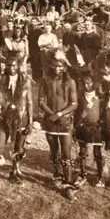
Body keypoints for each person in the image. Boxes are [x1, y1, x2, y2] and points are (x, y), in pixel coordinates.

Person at [0, 55, 32, 188]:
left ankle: (15, 172)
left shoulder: (25, 80)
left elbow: (29, 102)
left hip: (22, 119)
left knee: (18, 148)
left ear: (19, 66)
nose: (11, 68)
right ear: (5, 65)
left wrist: (30, 122)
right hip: (5, 119)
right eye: (9, 65)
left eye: (14, 65)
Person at [38, 52, 79, 201]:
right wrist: (51, 115)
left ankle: (68, 184)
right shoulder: (45, 80)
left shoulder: (70, 82)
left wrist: (59, 115)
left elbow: (74, 104)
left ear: (64, 67)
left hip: (64, 122)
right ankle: (58, 174)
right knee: (54, 152)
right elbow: (41, 101)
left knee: (66, 154)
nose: (57, 68)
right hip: (50, 121)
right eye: (55, 65)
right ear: (51, 66)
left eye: (60, 66)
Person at [74, 69, 105, 188]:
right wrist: (77, 125)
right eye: (84, 83)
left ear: (93, 83)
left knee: (97, 153)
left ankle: (100, 177)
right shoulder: (80, 97)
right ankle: (82, 174)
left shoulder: (98, 97)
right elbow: (77, 113)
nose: (86, 85)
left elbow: (103, 112)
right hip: (83, 127)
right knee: (82, 152)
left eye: (89, 83)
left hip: (96, 128)